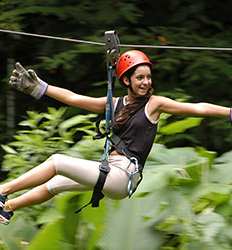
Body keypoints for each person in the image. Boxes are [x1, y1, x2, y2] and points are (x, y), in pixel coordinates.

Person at [0, 50, 231, 225]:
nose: (146, 82)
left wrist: (229, 112)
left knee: (57, 162)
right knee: (54, 185)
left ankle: (2, 190)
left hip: (123, 176)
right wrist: (41, 88)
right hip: (109, 170)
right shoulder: (115, 103)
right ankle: (8, 207)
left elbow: (197, 108)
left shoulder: (154, 104)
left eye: (148, 77)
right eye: (140, 78)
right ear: (126, 80)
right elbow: (74, 98)